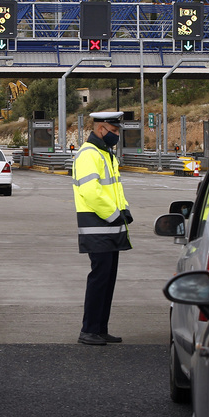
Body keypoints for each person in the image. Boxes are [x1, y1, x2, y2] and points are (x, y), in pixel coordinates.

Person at [71, 111, 132, 345]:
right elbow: (90, 191)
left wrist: (124, 209)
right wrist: (114, 214)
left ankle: (100, 328)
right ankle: (88, 330)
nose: (117, 135)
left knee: (107, 280)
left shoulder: (105, 154)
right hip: (98, 227)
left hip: (109, 227)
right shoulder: (89, 154)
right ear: (101, 129)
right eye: (114, 131)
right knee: (99, 279)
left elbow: (114, 189)